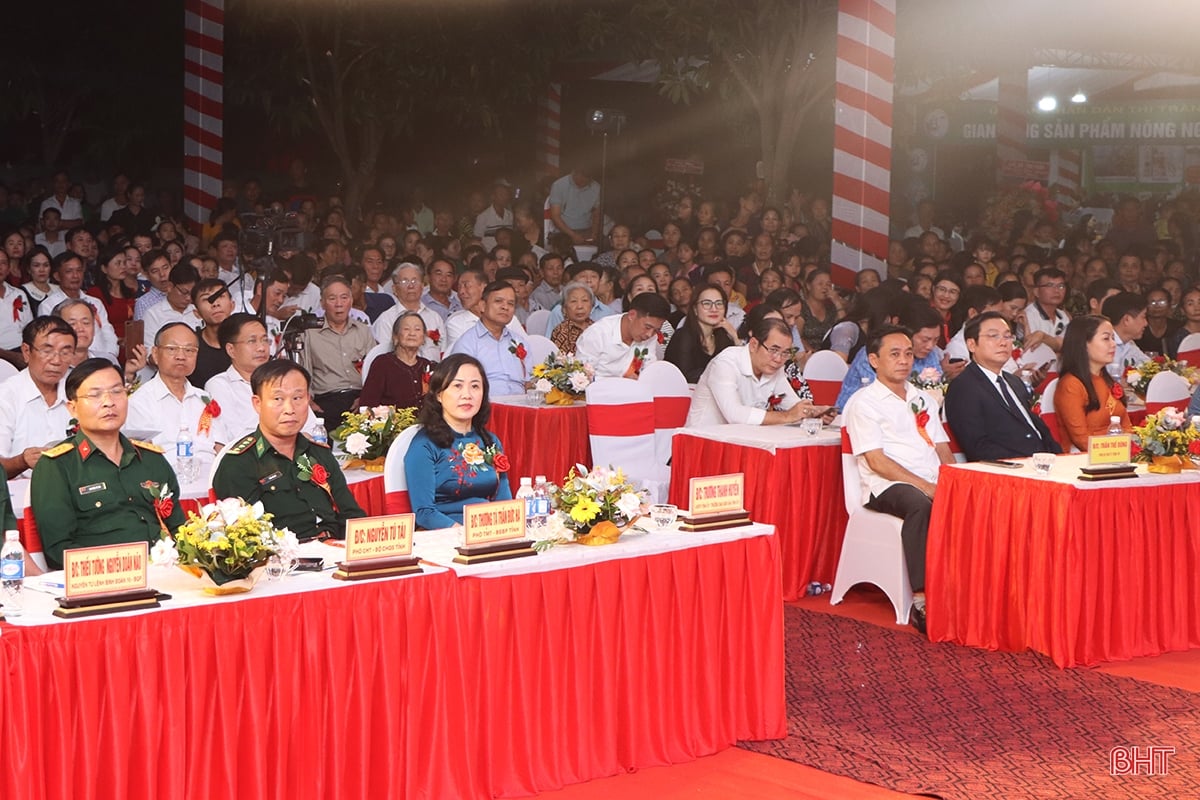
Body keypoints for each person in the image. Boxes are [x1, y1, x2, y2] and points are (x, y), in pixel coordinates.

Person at [842, 325, 955, 635]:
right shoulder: (864, 403)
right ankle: (922, 599)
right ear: (874, 360)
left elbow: (942, 446)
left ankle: (964, 590)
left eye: (908, 354)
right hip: (886, 485)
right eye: (894, 354)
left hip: (930, 477)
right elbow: (876, 461)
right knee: (920, 505)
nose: (904, 360)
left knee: (973, 497)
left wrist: (957, 480)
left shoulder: (923, 397)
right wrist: (927, 486)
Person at [30, 358, 186, 569]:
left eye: (116, 392)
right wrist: (122, 568)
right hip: (102, 581)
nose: (109, 402)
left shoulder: (152, 459)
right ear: (72, 408)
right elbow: (59, 549)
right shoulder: (57, 466)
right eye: (95, 395)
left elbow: (179, 529)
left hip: (167, 572)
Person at [213, 361, 365, 541]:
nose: (289, 409)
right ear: (257, 403)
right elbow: (248, 540)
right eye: (278, 399)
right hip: (283, 560)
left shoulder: (319, 453)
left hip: (334, 550)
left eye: (297, 398)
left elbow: (351, 514)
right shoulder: (239, 463)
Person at [403, 354, 513, 529]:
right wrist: (464, 533)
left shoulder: (490, 441)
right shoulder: (424, 445)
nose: (467, 395)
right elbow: (424, 512)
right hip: (448, 534)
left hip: (491, 529)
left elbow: (505, 502)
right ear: (439, 394)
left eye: (475, 386)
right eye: (457, 386)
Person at [943, 312, 1061, 461]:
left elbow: (1037, 429)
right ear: (972, 344)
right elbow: (978, 446)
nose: (1003, 342)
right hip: (1008, 471)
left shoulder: (1014, 382)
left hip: (1043, 464)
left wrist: (1059, 458)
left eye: (1007, 336)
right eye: (994, 336)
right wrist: (1027, 463)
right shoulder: (963, 387)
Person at [687, 317, 832, 426]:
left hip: (743, 441)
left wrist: (815, 414)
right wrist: (787, 416)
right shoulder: (726, 363)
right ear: (754, 344)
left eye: (785, 353)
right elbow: (735, 415)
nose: (778, 359)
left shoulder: (775, 367)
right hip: (703, 444)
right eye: (773, 350)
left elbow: (793, 405)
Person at [205, 313, 322, 446]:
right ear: (231, 350)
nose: (261, 348)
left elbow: (313, 429)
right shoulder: (219, 385)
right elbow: (234, 436)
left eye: (265, 340)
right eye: (252, 341)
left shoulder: (284, 381)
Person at [125, 323, 218, 478]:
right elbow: (140, 456)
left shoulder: (205, 398)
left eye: (189, 350)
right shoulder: (139, 402)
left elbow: (219, 445)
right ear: (155, 354)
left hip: (211, 482)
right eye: (172, 349)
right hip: (166, 485)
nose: (181, 356)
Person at [0, 318, 76, 478]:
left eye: (65, 352)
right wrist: (21, 461)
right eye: (47, 351)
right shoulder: (6, 396)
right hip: (20, 494)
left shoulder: (78, 391)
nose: (56, 361)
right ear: (26, 352)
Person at [1052, 315, 1132, 452]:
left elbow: (1127, 426)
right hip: (1085, 459)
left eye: (1113, 338)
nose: (1113, 344)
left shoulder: (1107, 380)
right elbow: (1081, 440)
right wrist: (1117, 451)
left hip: (1118, 454)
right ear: (1084, 344)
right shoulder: (1071, 384)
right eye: (1106, 338)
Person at [448, 281, 529, 396]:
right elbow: (459, 386)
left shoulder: (519, 341)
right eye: (498, 301)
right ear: (482, 306)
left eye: (510, 304)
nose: (505, 307)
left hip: (521, 406)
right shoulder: (467, 343)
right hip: (486, 407)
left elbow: (530, 381)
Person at [575, 292, 670, 379]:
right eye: (647, 327)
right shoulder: (598, 333)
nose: (650, 334)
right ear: (632, 315)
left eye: (656, 330)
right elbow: (582, 377)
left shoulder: (651, 336)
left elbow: (649, 369)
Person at [359, 311, 433, 410]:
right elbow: (368, 403)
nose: (412, 333)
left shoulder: (427, 365)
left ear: (423, 338)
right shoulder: (382, 363)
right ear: (395, 336)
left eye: (417, 329)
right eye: (406, 329)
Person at [665, 285, 739, 382]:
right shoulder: (683, 336)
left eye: (719, 303)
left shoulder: (722, 337)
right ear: (695, 309)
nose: (714, 309)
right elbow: (686, 376)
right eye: (707, 303)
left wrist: (735, 336)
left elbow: (740, 370)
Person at [141, 263, 199, 351]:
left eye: (192, 293)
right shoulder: (153, 314)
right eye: (184, 292)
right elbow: (148, 351)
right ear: (170, 287)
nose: (188, 298)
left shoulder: (198, 311)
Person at [547, 166, 601, 246]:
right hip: (562, 232)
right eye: (581, 180)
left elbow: (596, 213)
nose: (583, 183)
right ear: (574, 173)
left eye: (586, 181)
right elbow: (555, 216)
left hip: (586, 231)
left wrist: (594, 233)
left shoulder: (596, 187)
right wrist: (572, 235)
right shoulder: (559, 185)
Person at [1024, 267, 1071, 353]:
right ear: (1036, 291)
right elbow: (1034, 349)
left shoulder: (1063, 316)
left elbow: (1067, 346)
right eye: (1050, 285)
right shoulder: (1028, 315)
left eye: (1061, 286)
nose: (1056, 291)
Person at [1100, 292, 1149, 368]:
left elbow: (1149, 366)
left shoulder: (1129, 343)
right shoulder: (1102, 346)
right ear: (1127, 319)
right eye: (1143, 317)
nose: (1146, 323)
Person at [549, 282, 595, 354]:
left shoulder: (596, 327)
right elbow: (559, 362)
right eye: (573, 301)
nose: (580, 306)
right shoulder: (561, 332)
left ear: (592, 306)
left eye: (585, 300)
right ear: (564, 308)